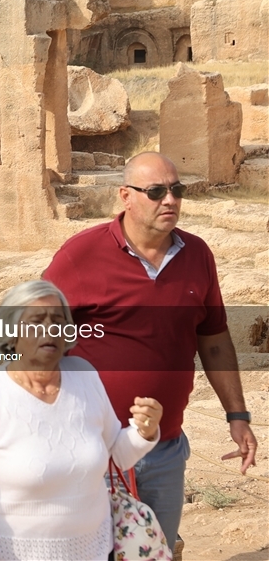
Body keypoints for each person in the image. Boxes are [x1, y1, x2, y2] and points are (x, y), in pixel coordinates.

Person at [42, 152, 257, 554]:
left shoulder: (197, 256)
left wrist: (238, 415)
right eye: (156, 191)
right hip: (92, 451)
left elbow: (214, 339)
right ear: (126, 196)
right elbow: (34, 337)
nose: (170, 200)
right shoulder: (80, 256)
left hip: (165, 450)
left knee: (156, 551)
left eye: (177, 190)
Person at [0, 280, 164, 560]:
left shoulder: (84, 375)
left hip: (97, 550)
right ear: (11, 334)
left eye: (59, 321)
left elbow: (115, 454)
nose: (50, 329)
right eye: (37, 321)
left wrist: (143, 432)